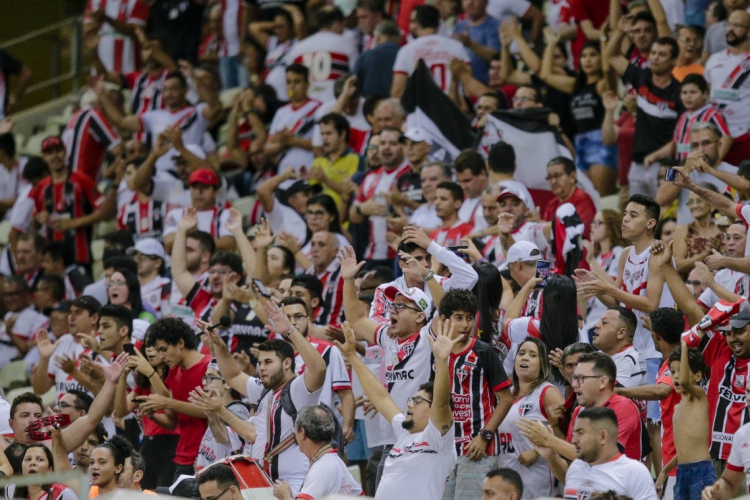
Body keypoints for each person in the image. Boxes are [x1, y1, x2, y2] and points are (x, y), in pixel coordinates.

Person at [206, 300, 327, 495]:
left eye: (268, 362)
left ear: (287, 363)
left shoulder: (298, 389)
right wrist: (219, 344)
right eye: (260, 362)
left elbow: (319, 368)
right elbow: (233, 376)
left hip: (294, 485)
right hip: (262, 482)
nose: (261, 367)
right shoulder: (264, 389)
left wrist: (290, 331)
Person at [576, 194, 673, 429]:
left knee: (654, 424)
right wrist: (596, 286)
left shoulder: (657, 254)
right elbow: (616, 302)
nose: (625, 219)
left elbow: (651, 304)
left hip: (655, 349)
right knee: (632, 419)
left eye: (633, 215)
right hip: (631, 349)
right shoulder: (626, 254)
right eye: (626, 214)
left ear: (651, 223)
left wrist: (607, 287)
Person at [334, 320, 456, 499]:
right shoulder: (404, 431)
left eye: (418, 401)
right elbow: (380, 396)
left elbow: (442, 403)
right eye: (411, 399)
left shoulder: (438, 438)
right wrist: (352, 356)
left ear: (433, 410)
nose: (409, 404)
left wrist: (442, 361)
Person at [437, 289, 513, 500]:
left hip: (478, 448)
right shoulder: (438, 353)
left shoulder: (483, 351)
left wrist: (484, 436)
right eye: (458, 318)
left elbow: (506, 399)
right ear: (444, 319)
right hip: (447, 449)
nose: (465, 325)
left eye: (469, 318)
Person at [537, 31, 617, 195]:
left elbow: (609, 70)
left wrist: (602, 39)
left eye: (593, 55)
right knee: (587, 197)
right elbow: (545, 75)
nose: (587, 59)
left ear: (601, 58)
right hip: (580, 143)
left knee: (602, 198)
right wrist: (552, 43)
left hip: (600, 141)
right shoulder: (575, 85)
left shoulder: (603, 85)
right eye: (584, 55)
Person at [606, 27, 681, 198]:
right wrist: (620, 30)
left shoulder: (679, 92)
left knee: (666, 215)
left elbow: (681, 138)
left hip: (666, 166)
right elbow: (612, 56)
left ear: (674, 61)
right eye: (653, 53)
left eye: (662, 54)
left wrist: (655, 156)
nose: (655, 57)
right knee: (638, 216)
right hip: (637, 165)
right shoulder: (642, 77)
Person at [32, 136, 119, 267]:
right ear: (44, 157)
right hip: (53, 261)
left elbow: (106, 213)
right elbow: (35, 223)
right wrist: (39, 218)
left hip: (81, 255)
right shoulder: (42, 187)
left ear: (65, 151)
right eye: (49, 153)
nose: (55, 156)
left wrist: (75, 223)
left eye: (58, 151)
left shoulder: (81, 179)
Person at [141, 318, 211, 479]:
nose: (161, 356)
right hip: (182, 457)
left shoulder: (209, 366)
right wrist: (153, 414)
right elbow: (173, 422)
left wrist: (168, 402)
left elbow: (211, 410)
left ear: (180, 343)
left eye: (163, 349)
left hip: (208, 455)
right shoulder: (173, 373)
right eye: (157, 351)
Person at [496, 337, 565, 499]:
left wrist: (536, 452)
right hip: (507, 476)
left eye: (533, 355)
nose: (525, 357)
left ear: (542, 364)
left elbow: (568, 438)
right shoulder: (506, 395)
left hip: (538, 478)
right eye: (521, 353)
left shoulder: (548, 392)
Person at [562, 407, 659, 500]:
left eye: (580, 433)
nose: (574, 440)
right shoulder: (576, 467)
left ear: (602, 437)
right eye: (575, 433)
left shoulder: (634, 472)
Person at [655, 123, 739, 226]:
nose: (700, 150)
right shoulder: (676, 171)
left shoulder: (736, 171)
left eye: (706, 143)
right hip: (685, 237)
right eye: (695, 145)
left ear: (719, 145)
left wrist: (709, 169)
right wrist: (686, 169)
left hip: (723, 236)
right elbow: (660, 200)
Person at [271, 405, 363, 498]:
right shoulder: (337, 462)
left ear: (302, 433)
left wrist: (285, 496)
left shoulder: (321, 467)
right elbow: (361, 496)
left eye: (295, 430)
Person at [349, 128, 410, 267]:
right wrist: (361, 210)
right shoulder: (370, 177)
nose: (386, 148)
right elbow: (353, 216)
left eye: (392, 143)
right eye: (382, 143)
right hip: (372, 255)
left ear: (403, 147)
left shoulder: (409, 175)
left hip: (401, 254)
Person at [645, 74, 731, 168]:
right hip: (682, 168)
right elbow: (675, 144)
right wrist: (654, 156)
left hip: (702, 168)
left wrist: (714, 164)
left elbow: (726, 139)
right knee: (666, 179)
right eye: (684, 93)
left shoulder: (712, 115)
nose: (688, 96)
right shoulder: (683, 116)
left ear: (705, 94)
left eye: (693, 92)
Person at [391, 5, 471, 97]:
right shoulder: (456, 46)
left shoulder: (406, 50)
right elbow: (468, 84)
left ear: (417, 23)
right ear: (438, 25)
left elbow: (397, 90)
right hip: (452, 107)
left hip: (421, 109)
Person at [704, 10, 750, 165]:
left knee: (740, 187)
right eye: (729, 24)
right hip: (715, 135)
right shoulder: (714, 59)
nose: (730, 29)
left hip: (743, 136)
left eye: (737, 25)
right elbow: (707, 94)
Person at [286, 6, 358, 103]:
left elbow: (288, 79)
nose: (343, 30)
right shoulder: (347, 45)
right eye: (342, 26)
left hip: (306, 104)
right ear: (336, 24)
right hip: (335, 103)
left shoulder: (298, 48)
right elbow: (354, 76)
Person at [187, 361, 249, 472]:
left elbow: (237, 447)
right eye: (205, 377)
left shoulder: (237, 409)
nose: (205, 382)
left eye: (211, 377)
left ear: (228, 383)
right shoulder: (215, 410)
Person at [265, 64, 321, 175]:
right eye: (289, 82)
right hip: (284, 172)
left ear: (307, 83)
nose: (292, 87)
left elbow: (322, 144)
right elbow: (267, 148)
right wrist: (283, 143)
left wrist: (291, 140)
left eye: (297, 82)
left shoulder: (318, 108)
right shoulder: (281, 112)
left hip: (308, 170)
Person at [582, 210, 628, 336]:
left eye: (599, 223)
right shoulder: (597, 258)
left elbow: (614, 287)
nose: (593, 226)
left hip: (608, 324)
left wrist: (590, 259)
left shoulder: (619, 253)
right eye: (593, 222)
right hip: (590, 323)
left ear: (610, 228)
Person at [592, 307, 648, 390]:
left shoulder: (631, 360)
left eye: (604, 322)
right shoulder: (597, 355)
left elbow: (608, 395)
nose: (596, 325)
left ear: (621, 333)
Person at [10, 444, 77, 500]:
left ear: (50, 470)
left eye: (39, 459)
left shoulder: (61, 493)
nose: (32, 463)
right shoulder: (11, 490)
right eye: (28, 459)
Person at [353, 20, 400, 98]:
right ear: (398, 38)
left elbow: (354, 83)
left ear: (377, 38)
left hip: (370, 105)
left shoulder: (365, 56)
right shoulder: (406, 55)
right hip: (398, 106)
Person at [454, 150, 490, 230]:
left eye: (467, 181)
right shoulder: (465, 201)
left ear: (482, 174)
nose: (463, 187)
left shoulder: (496, 198)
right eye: (459, 181)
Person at [430, 182, 474, 247]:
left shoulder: (468, 231)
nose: (437, 203)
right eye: (436, 198)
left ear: (457, 203)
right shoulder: (433, 234)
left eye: (443, 199)